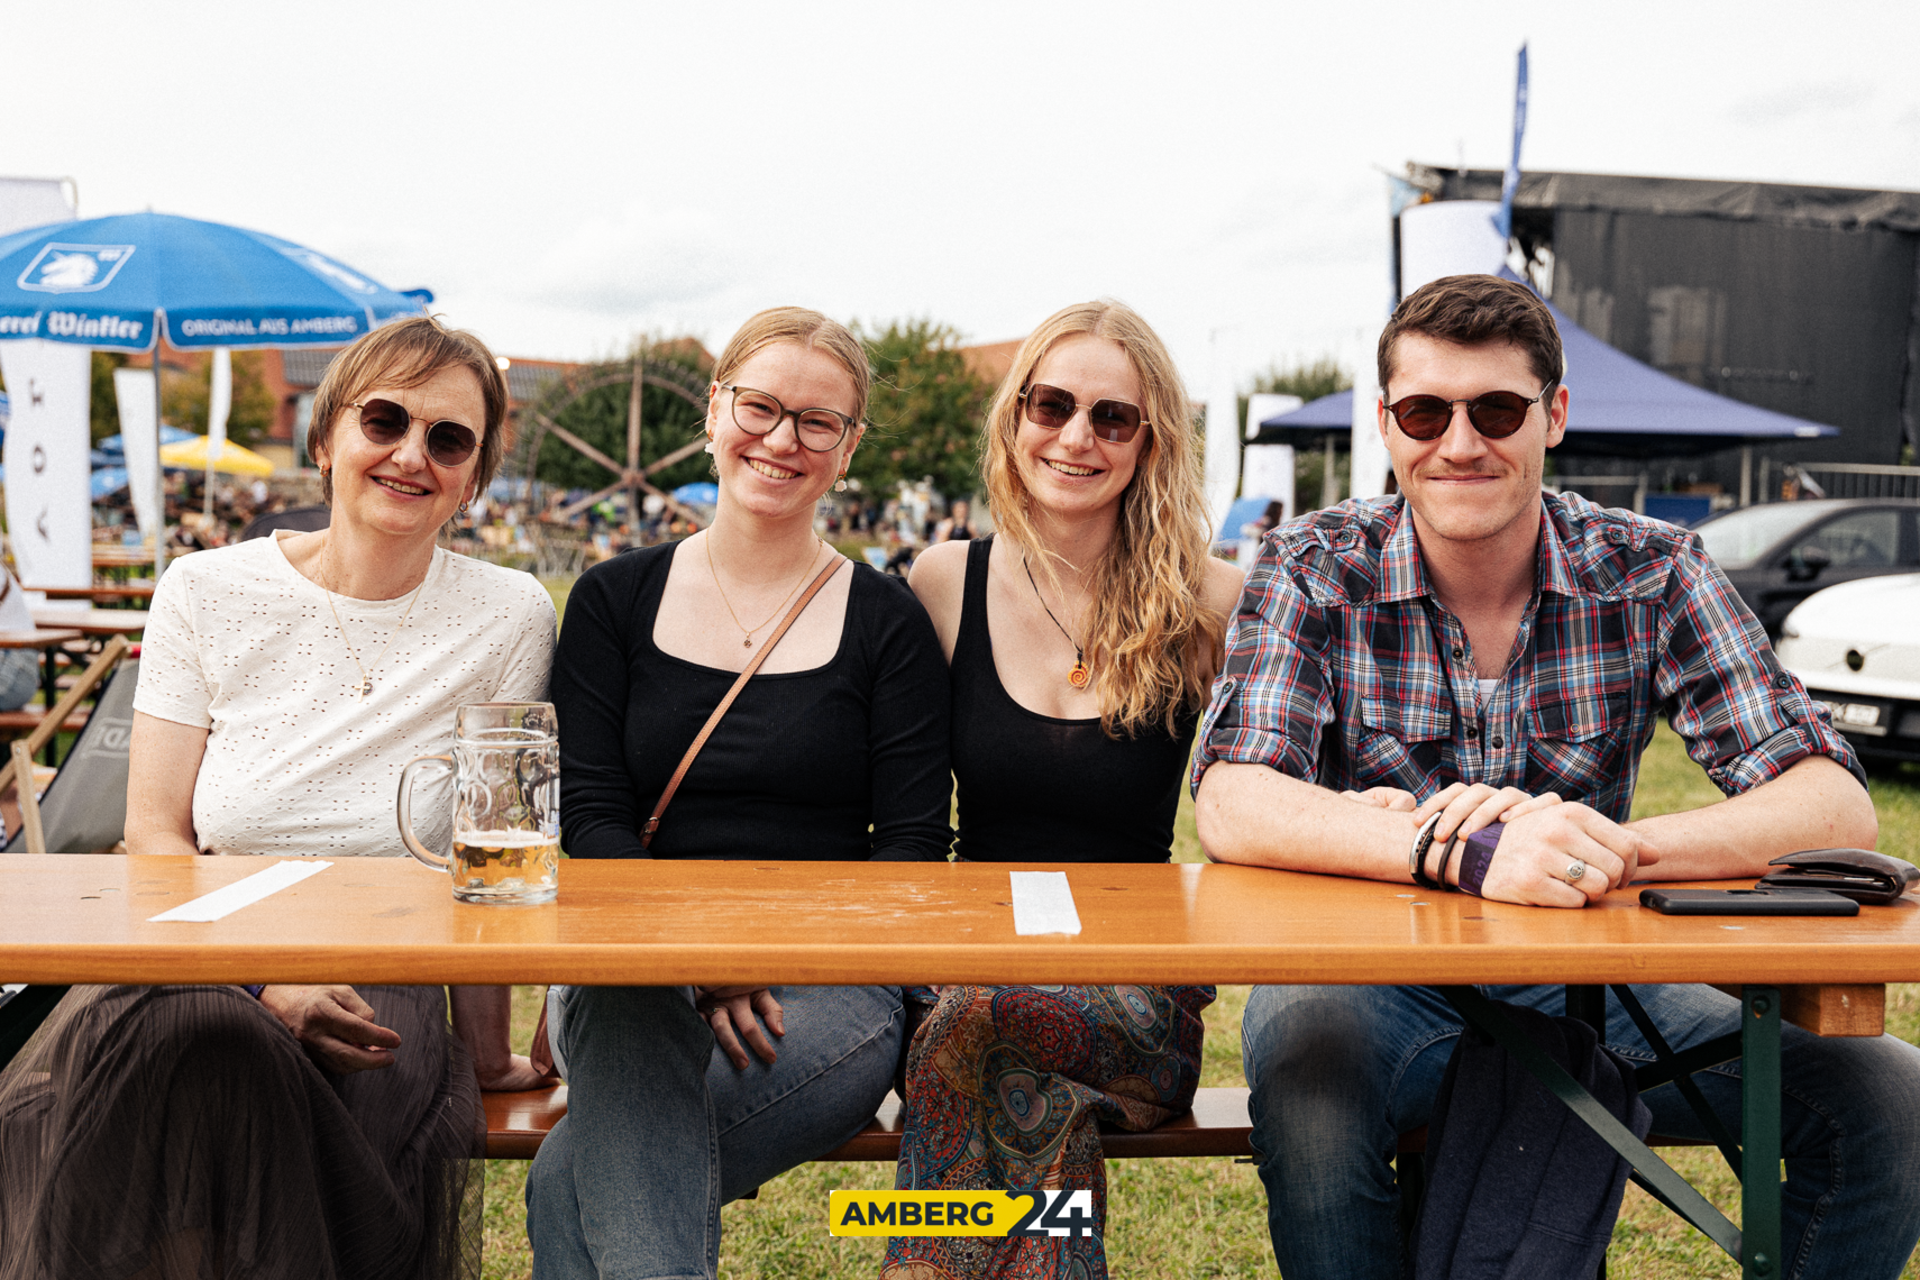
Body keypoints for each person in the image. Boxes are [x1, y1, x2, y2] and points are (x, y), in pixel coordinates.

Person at [1193, 273, 1920, 1280]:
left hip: (1594, 984)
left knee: (1887, 1093)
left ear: (1556, 415)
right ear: (1388, 424)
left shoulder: (1652, 566)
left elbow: (1833, 798)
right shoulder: (1315, 560)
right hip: (1368, 981)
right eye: (1424, 410)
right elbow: (1234, 796)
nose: (1459, 442)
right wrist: (1465, 849)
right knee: (1315, 1083)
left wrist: (1609, 846)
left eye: (1496, 409)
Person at [0, 317, 555, 1280]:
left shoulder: (509, 613)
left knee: (198, 1067)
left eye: (449, 438)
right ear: (327, 434)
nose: (411, 455)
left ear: (475, 475)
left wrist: (487, 1053)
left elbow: (491, 856)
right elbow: (155, 836)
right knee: (203, 1034)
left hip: (384, 968)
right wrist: (262, 980)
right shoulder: (204, 589)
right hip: (197, 950)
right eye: (385, 420)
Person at [527, 306, 952, 1279]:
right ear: (716, 411)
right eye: (761, 406)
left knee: (565, 1179)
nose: (781, 438)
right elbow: (588, 818)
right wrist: (699, 958)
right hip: (630, 965)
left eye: (817, 421)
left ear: (847, 449)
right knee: (628, 1003)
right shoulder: (611, 600)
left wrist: (768, 954)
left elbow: (913, 844)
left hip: (831, 984)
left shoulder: (886, 623)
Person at [886, 300, 1243, 1280]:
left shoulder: (1208, 600)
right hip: (967, 965)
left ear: (1150, 441)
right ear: (1014, 419)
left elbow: (1271, 783)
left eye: (1112, 417)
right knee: (1009, 1064)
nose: (1076, 435)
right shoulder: (943, 579)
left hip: (1135, 986)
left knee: (981, 1029)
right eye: (1052, 404)